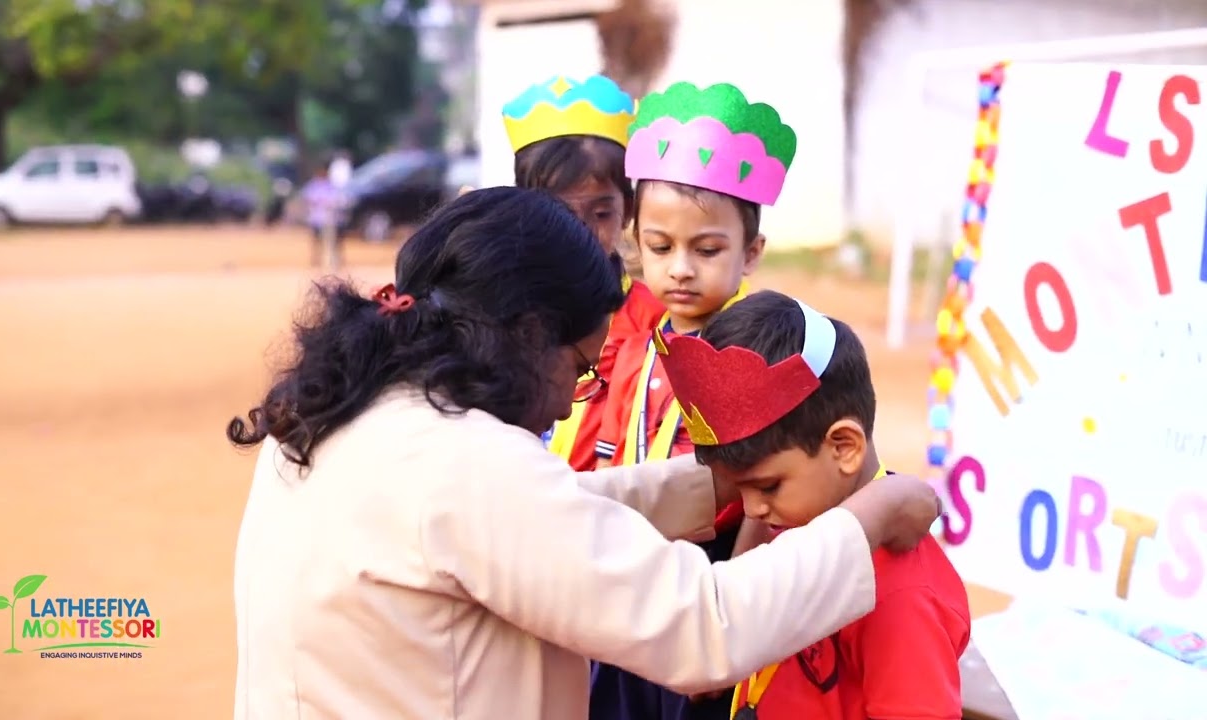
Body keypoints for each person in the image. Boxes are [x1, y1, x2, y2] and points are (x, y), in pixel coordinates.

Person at [228, 186, 943, 720]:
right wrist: (873, 513)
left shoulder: (341, 414)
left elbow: (545, 523)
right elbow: (702, 626)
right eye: (578, 366)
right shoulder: (463, 464)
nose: (572, 399)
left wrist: (715, 485)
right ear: (527, 333)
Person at [657, 290, 972, 720]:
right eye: (740, 489)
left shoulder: (902, 596)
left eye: (767, 486)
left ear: (844, 447)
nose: (751, 509)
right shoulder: (800, 518)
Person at [590, 80, 791, 720]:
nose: (680, 268)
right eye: (659, 247)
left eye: (706, 250)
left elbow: (767, 495)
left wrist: (728, 617)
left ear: (750, 252)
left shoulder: (757, 355)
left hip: (710, 584)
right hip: (626, 586)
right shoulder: (635, 347)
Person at [502, 74, 665, 468]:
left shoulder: (654, 321)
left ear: (627, 208)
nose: (581, 233)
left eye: (601, 213)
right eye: (559, 212)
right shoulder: (497, 308)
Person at [300, 164, 346, 267]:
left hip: (330, 219)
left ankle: (335, 262)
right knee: (316, 241)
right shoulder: (313, 185)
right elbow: (307, 199)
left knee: (334, 242)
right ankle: (316, 260)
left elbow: (336, 200)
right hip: (316, 218)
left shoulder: (331, 186)